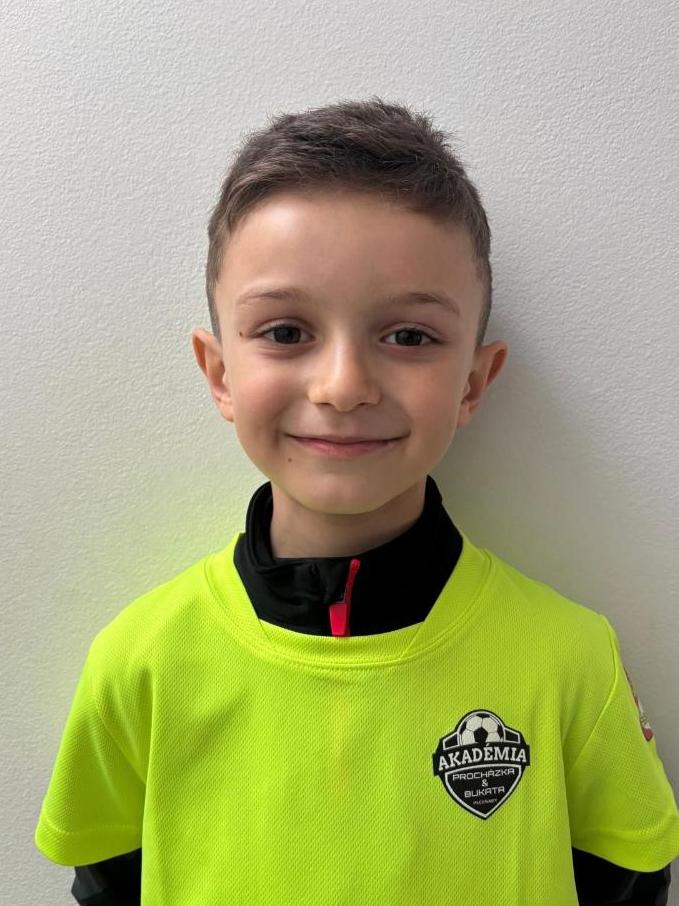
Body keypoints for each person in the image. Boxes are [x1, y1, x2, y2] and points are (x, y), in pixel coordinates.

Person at [34, 97, 679, 905]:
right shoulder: (139, 664)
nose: (342, 387)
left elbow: (632, 882)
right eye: (285, 332)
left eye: (408, 336)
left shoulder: (570, 662)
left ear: (472, 382)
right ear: (219, 372)